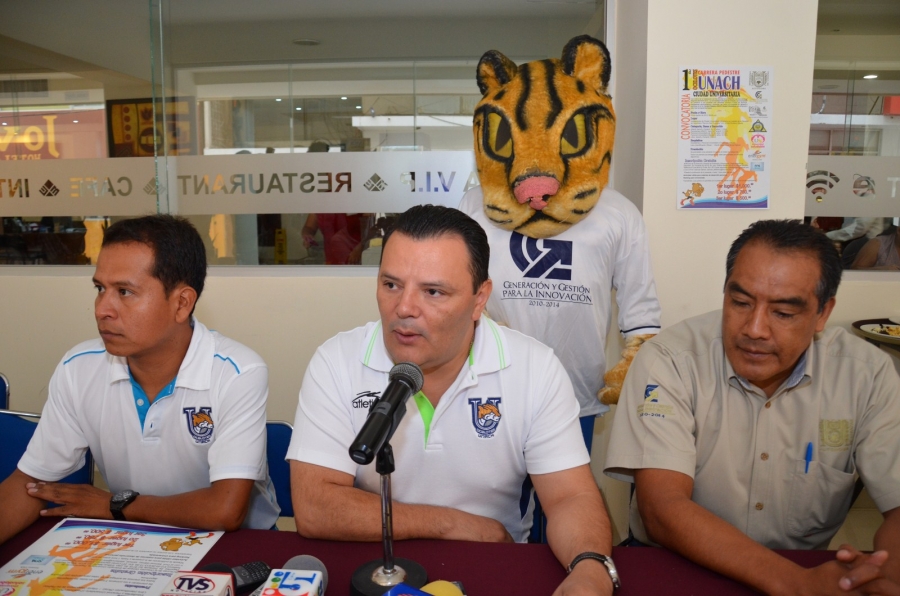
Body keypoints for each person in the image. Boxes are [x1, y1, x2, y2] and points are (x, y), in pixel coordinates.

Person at [287, 205, 617, 595]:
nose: (404, 309)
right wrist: (451, 523)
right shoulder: (336, 361)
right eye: (391, 284)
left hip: (493, 565)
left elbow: (570, 496)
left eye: (433, 291)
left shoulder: (535, 368)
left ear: (480, 299)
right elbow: (314, 505)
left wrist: (591, 567)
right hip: (378, 565)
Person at [605, 219, 900, 595]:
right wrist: (796, 584)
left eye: (783, 313)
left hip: (800, 568)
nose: (755, 329)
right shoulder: (670, 360)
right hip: (675, 568)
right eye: (740, 302)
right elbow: (662, 507)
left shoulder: (867, 374)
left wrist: (884, 575)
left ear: (823, 314)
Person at [0, 215, 279, 545]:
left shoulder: (237, 372)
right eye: (100, 288)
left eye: (125, 292)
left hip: (234, 544)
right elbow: (30, 484)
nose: (103, 308)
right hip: (131, 536)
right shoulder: (79, 368)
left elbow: (225, 510)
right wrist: (121, 511)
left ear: (181, 303)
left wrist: (113, 505)